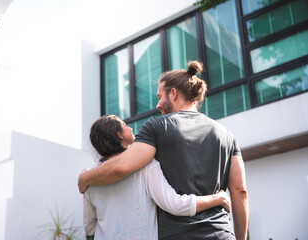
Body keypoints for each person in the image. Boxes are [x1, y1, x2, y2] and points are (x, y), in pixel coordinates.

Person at [79, 61, 249, 240]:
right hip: (222, 233)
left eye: (160, 97)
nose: (157, 105)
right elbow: (240, 191)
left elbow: (123, 165)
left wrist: (85, 178)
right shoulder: (227, 135)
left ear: (173, 93)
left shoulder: (157, 127)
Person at [84, 114, 231, 239]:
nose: (130, 127)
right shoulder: (143, 165)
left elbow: (89, 228)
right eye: (125, 124)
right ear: (119, 135)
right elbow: (175, 204)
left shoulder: (89, 178)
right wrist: (218, 198)